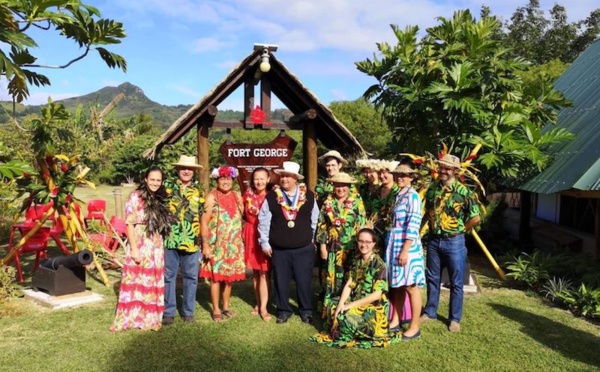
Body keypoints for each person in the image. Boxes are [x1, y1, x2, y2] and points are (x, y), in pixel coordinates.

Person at [310, 228, 399, 348]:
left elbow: (377, 295)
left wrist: (350, 306)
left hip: (373, 308)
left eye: (367, 242)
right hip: (356, 301)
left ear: (373, 243)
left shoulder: (379, 264)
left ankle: (344, 332)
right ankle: (341, 329)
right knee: (333, 304)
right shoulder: (357, 260)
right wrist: (342, 303)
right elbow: (349, 284)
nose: (363, 245)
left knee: (344, 316)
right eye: (361, 241)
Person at [421, 154, 481, 332]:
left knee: (456, 282)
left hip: (454, 242)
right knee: (432, 278)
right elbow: (428, 212)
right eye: (441, 167)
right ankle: (430, 312)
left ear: (455, 171)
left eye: (447, 168)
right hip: (433, 241)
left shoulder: (464, 193)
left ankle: (454, 319)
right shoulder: (432, 189)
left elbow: (475, 217)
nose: (443, 171)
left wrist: (462, 230)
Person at [111, 167, 171, 331]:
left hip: (156, 244)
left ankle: (150, 317)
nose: (155, 183)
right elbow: (129, 224)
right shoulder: (136, 197)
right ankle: (133, 317)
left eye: (158, 180)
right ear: (145, 179)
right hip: (140, 240)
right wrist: (135, 249)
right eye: (152, 179)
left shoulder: (159, 197)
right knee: (137, 278)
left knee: (151, 279)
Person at [258, 161, 319, 325]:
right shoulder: (271, 197)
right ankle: (283, 310)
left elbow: (315, 219)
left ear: (295, 179)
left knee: (304, 280)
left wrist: (312, 239)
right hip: (279, 249)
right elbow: (263, 221)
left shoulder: (309, 196)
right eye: (282, 176)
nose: (284, 179)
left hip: (304, 248)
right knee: (281, 281)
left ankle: (306, 311)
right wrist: (265, 243)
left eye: (288, 176)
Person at [316, 172, 365, 323]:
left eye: (344, 185)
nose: (341, 188)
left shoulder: (357, 202)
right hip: (332, 249)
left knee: (349, 279)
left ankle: (347, 312)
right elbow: (322, 225)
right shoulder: (327, 203)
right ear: (333, 186)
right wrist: (323, 247)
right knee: (330, 281)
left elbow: (362, 225)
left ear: (349, 187)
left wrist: (361, 247)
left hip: (351, 248)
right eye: (337, 185)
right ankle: (328, 312)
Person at [162, 155, 204, 325]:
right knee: (169, 277)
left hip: (192, 241)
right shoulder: (167, 188)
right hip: (170, 240)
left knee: (191, 277)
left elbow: (202, 215)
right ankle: (168, 312)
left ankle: (188, 312)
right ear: (178, 170)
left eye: (190, 169)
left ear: (194, 171)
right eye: (183, 168)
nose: (186, 171)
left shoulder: (199, 191)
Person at [200, 166, 245, 322]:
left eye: (228, 179)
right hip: (217, 245)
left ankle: (226, 306)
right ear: (217, 180)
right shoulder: (212, 197)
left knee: (229, 277)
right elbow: (204, 222)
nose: (225, 182)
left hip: (234, 244)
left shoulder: (237, 196)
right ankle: (216, 309)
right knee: (216, 277)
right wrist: (205, 245)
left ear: (232, 180)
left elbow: (243, 216)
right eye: (222, 179)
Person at [386, 164, 425, 340]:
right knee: (399, 284)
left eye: (404, 175)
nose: (400, 177)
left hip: (407, 246)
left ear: (411, 177)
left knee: (411, 286)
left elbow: (414, 224)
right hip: (396, 244)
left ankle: (414, 327)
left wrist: (405, 250)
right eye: (398, 174)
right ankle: (396, 320)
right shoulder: (398, 195)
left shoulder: (413, 197)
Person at [243, 167, 273, 321]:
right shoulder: (247, 194)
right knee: (255, 272)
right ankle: (259, 302)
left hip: (264, 235)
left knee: (264, 272)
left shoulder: (273, 195)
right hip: (250, 233)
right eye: (256, 178)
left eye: (262, 178)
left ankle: (264, 308)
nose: (259, 181)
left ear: (268, 179)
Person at [371, 160, 400, 256]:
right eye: (380, 173)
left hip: (392, 235)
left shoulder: (399, 192)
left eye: (385, 173)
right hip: (376, 234)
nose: (381, 176)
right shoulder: (376, 192)